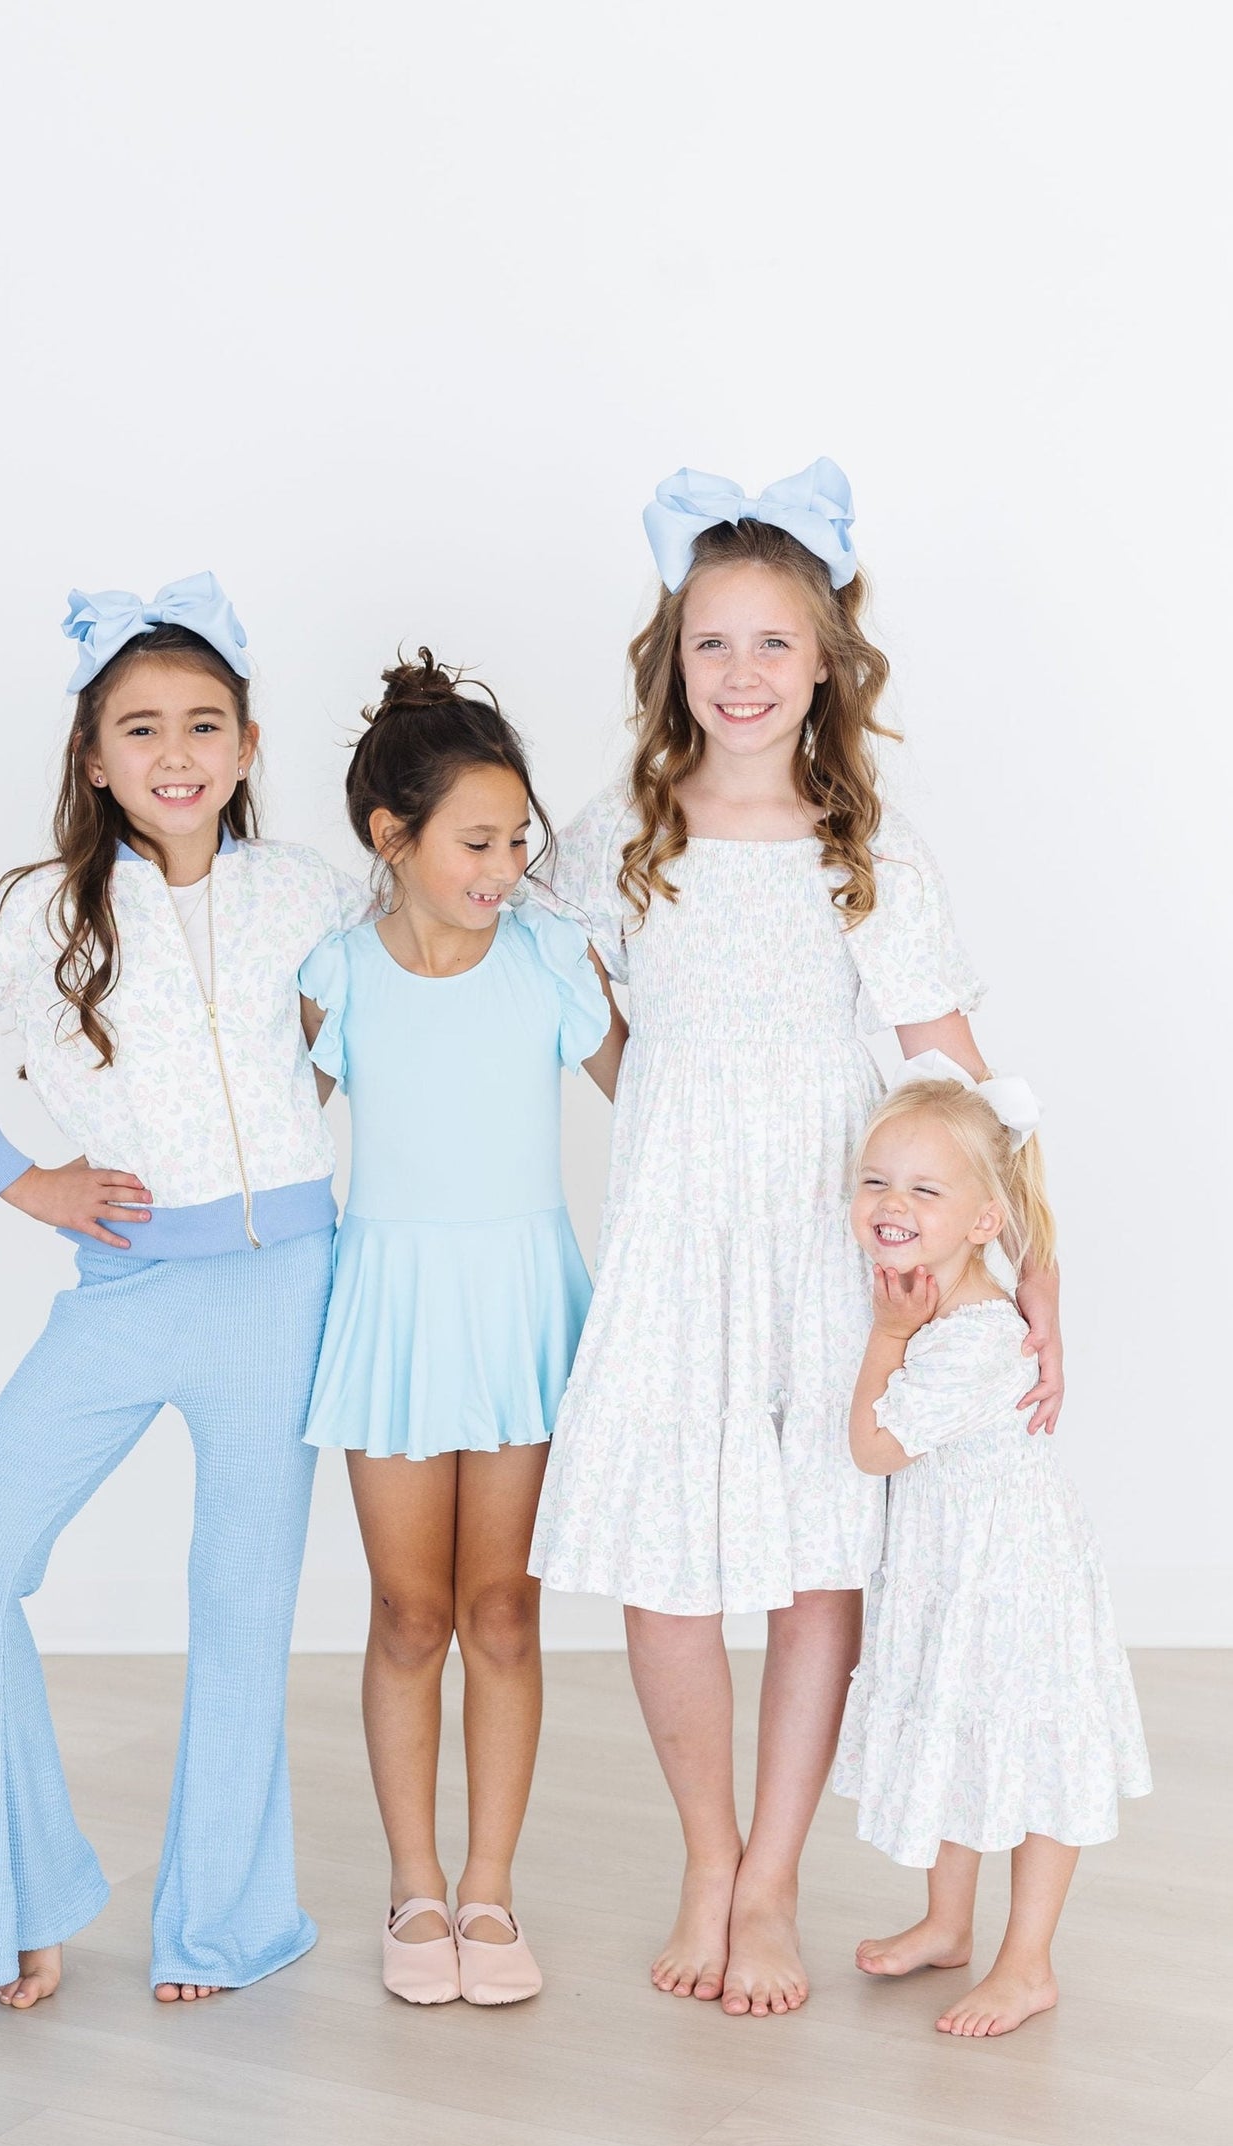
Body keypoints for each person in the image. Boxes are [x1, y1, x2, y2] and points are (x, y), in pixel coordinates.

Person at [532, 463, 1064, 2016]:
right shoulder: (618, 835)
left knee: (817, 1557)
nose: (743, 671)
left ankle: (770, 1875)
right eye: (712, 641)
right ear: (670, 659)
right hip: (674, 1238)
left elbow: (959, 1074)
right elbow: (558, 992)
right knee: (669, 1560)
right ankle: (706, 1856)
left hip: (830, 1241)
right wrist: (661, 1103)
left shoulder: (862, 850)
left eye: (774, 641)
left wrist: (1034, 1264)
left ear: (826, 661)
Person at [0, 575, 362, 2006]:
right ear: (92, 756)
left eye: (204, 723)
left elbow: (376, 1007)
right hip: (126, 1288)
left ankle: (226, 1925)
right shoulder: (39, 913)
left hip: (283, 1288)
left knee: (240, 1607)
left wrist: (298, 1116)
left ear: (248, 747)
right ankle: (18, 1895)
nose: (175, 752)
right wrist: (24, 1179)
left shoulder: (306, 890)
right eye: (140, 727)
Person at [300, 650, 625, 2005]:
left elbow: (652, 1104)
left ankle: (488, 1888)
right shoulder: (335, 972)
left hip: (519, 1307)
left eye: (515, 840)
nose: (504, 867)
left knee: (501, 1608)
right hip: (390, 1308)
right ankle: (414, 1883)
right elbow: (258, 1128)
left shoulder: (548, 957)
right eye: (476, 842)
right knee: (407, 1611)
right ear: (394, 835)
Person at [834, 1054, 1150, 2035]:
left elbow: (872, 1447)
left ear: (984, 1220)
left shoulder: (965, 1337)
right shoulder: (944, 1301)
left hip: (1009, 1581)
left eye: (924, 1189)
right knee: (957, 1731)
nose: (892, 1202)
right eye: (875, 1180)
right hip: (958, 1571)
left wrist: (886, 1336)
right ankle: (946, 1924)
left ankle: (1027, 1962)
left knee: (1024, 1749)